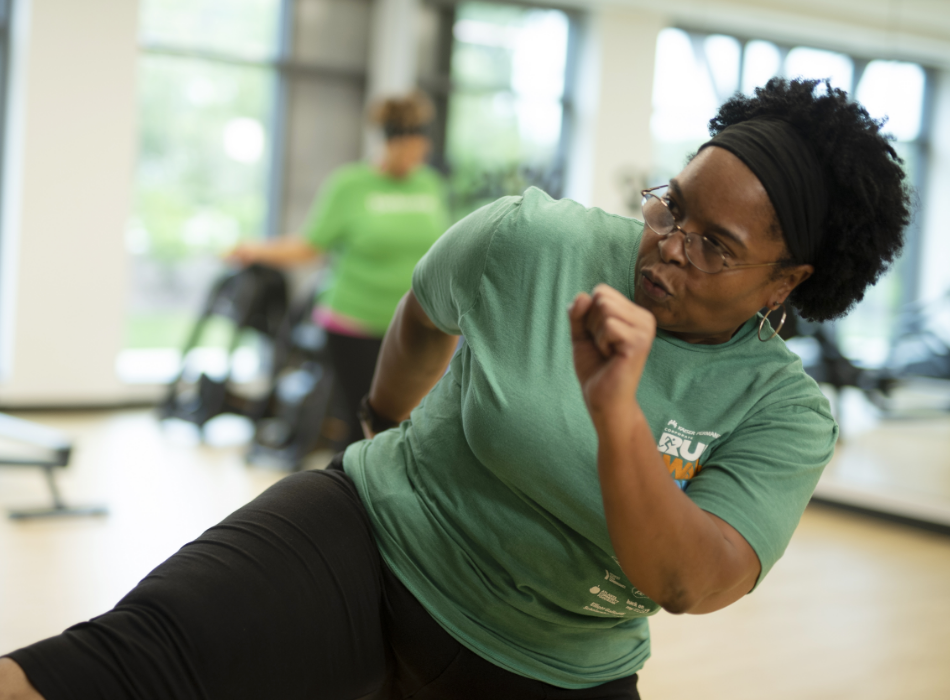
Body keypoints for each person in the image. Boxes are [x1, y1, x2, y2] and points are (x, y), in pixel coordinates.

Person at [0, 77, 910, 700]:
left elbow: (688, 578)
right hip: (377, 533)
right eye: (672, 205)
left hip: (558, 658)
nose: (670, 243)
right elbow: (425, 315)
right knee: (111, 668)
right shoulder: (535, 238)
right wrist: (381, 425)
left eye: (715, 245)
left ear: (787, 282)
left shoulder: (784, 412)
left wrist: (614, 414)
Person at [228, 91, 450, 445]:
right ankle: (357, 497)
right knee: (366, 430)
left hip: (415, 325)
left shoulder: (431, 185)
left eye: (419, 146)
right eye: (406, 147)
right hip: (355, 322)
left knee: (416, 426)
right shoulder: (350, 185)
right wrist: (256, 249)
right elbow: (309, 245)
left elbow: (444, 248)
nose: (414, 155)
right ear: (388, 142)